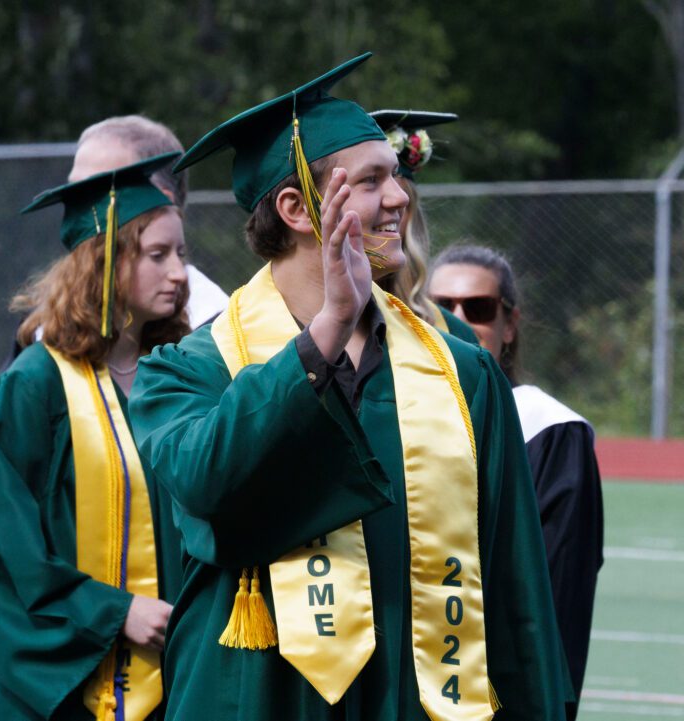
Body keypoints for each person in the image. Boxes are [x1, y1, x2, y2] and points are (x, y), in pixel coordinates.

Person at [129, 54, 570, 720]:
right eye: (371, 181)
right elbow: (205, 479)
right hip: (261, 700)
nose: (399, 197)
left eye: (395, 176)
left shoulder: (462, 375)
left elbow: (516, 592)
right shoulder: (189, 370)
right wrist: (325, 333)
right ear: (295, 207)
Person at [0, 153, 190, 720]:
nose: (180, 273)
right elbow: (0, 551)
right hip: (68, 690)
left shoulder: (179, 373)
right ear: (104, 263)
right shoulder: (36, 386)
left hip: (175, 674)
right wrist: (113, 611)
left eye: (181, 253)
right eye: (157, 255)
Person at [428, 244, 603, 721]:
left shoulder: (549, 431)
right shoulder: (399, 415)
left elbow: (558, 599)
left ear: (510, 324)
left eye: (478, 309)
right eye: (439, 306)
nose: (456, 319)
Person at [71, 115, 229, 328]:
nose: (77, 208)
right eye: (73, 191)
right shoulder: (47, 327)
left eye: (100, 192)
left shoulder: (216, 333)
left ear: (160, 204)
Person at [369, 109, 477, 345]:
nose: (393, 206)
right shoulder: (295, 323)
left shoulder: (452, 333)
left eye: (403, 204)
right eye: (371, 189)